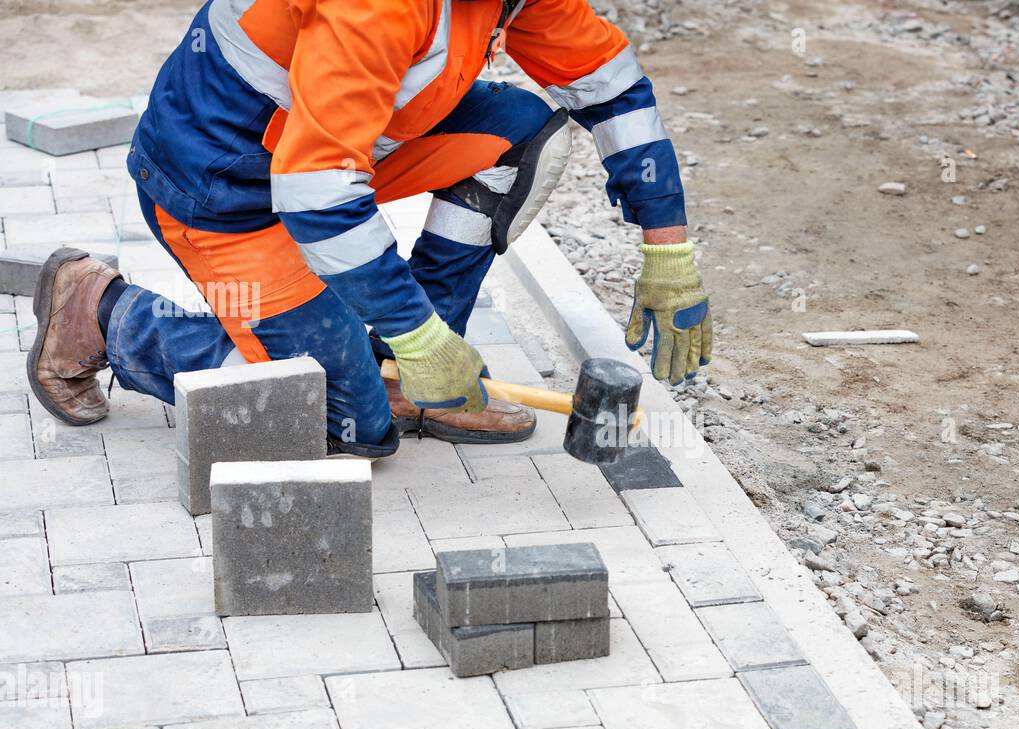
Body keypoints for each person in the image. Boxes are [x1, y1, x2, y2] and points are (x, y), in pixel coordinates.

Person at [27, 0, 712, 456]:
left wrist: (668, 245)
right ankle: (102, 313)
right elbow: (319, 196)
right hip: (220, 187)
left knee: (522, 137)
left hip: (317, 158)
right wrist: (419, 335)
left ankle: (409, 368)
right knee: (344, 421)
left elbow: (613, 89)